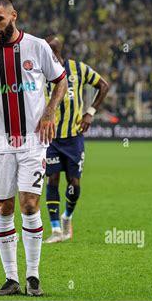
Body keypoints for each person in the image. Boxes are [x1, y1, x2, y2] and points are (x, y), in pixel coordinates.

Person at [0, 0, 67, 296]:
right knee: (3, 206)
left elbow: (60, 81)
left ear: (13, 16)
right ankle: (11, 278)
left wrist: (49, 113)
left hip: (33, 142)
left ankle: (33, 275)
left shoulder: (38, 47)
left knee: (30, 203)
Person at [43, 34, 109, 243]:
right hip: (50, 138)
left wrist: (90, 112)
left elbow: (103, 85)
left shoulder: (77, 69)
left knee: (74, 182)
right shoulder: (38, 72)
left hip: (73, 138)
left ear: (59, 51)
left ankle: (66, 218)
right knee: (52, 179)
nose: (50, 54)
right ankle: (55, 230)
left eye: (53, 50)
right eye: (47, 50)